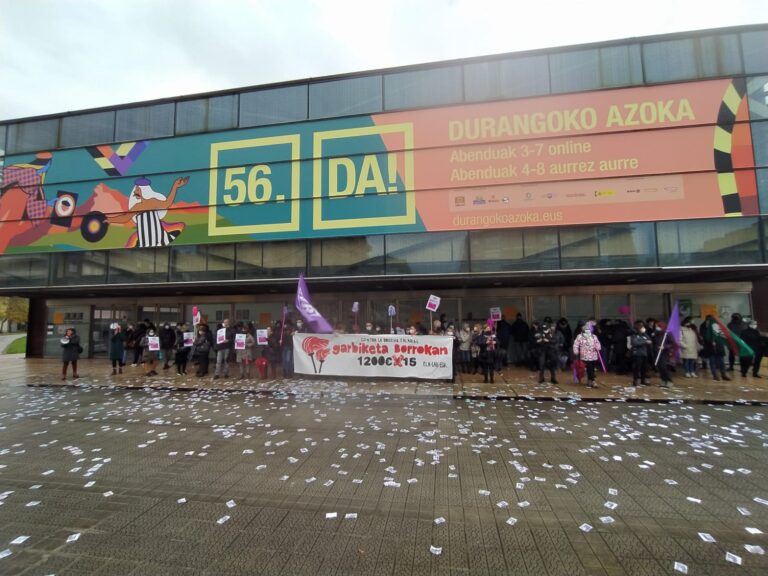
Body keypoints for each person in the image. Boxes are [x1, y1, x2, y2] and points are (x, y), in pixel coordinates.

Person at [700, 315, 730, 382]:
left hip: (719, 346)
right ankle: (715, 375)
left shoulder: (717, 326)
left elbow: (722, 334)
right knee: (712, 361)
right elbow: (704, 336)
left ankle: (723, 374)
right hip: (709, 347)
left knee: (721, 362)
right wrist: (711, 340)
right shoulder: (703, 327)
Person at [572, 322, 601, 388]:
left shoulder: (594, 336)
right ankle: (593, 381)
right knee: (590, 367)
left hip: (593, 356)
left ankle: (589, 381)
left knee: (591, 368)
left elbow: (598, 343)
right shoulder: (580, 336)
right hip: (585, 356)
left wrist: (598, 347)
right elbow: (576, 344)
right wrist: (576, 351)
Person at [628, 320, 652, 386]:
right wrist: (644, 342)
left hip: (645, 353)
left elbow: (650, 341)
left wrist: (645, 341)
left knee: (644, 368)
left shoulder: (646, 335)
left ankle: (643, 380)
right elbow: (634, 343)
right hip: (637, 354)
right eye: (641, 327)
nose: (643, 329)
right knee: (637, 368)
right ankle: (635, 380)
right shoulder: (634, 335)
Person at [652, 323, 677, 388]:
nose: (657, 328)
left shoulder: (667, 334)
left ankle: (669, 381)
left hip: (665, 353)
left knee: (664, 367)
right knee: (659, 368)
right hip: (657, 352)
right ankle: (663, 380)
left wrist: (665, 346)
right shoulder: (655, 334)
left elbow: (673, 343)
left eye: (658, 326)